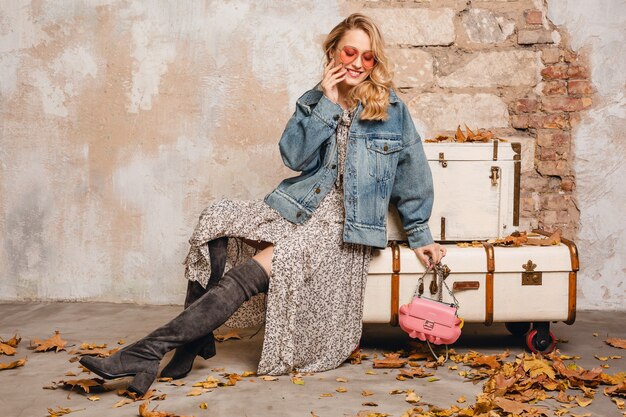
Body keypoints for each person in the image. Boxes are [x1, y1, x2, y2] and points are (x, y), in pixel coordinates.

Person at [80, 12, 446, 397]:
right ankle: (192, 342)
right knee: (216, 216)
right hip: (300, 206)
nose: (357, 63)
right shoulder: (315, 99)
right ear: (334, 53)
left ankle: (148, 352)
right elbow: (294, 156)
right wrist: (326, 102)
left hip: (345, 227)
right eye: (349, 52)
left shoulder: (392, 111)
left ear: (375, 63)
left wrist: (419, 235)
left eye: (367, 57)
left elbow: (413, 176)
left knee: (272, 261)